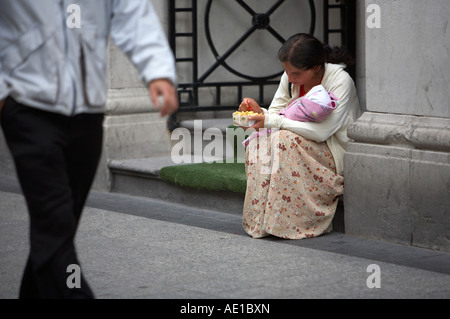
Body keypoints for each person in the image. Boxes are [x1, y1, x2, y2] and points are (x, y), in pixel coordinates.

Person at [0, 1, 178, 298]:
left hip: (88, 112)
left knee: (58, 228)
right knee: (55, 226)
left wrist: (157, 70)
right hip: (29, 108)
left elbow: (133, 12)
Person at [238, 33, 361, 239]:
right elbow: (276, 116)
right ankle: (260, 223)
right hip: (297, 144)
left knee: (283, 140)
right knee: (260, 141)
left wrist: (271, 120)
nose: (290, 78)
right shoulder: (289, 77)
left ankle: (290, 224)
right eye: (287, 72)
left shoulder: (340, 81)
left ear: (316, 67)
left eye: (295, 73)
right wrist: (258, 114)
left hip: (331, 152)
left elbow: (323, 132)